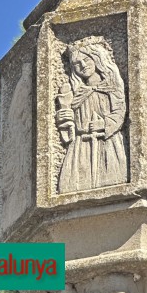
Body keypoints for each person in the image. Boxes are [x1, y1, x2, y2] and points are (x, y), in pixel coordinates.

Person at [55, 41, 127, 193]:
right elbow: (67, 122)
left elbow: (120, 111)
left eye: (86, 59)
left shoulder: (111, 85)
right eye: (76, 63)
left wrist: (104, 123)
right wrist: (65, 118)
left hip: (107, 141)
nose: (82, 65)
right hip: (81, 144)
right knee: (75, 186)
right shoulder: (76, 91)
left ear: (96, 58)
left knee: (112, 181)